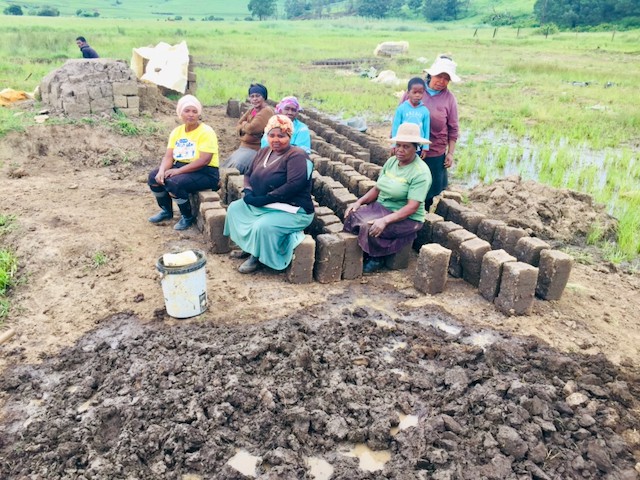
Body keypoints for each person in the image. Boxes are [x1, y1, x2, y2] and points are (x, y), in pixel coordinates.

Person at [224, 114, 314, 274]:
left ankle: (256, 257)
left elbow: (294, 185)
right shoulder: (264, 151)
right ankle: (248, 246)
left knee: (262, 226)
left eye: (281, 136)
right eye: (271, 135)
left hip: (293, 210)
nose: (276, 140)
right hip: (265, 204)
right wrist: (248, 191)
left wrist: (264, 199)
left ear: (289, 136)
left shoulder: (297, 155)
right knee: (234, 209)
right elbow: (248, 174)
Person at [343, 123, 431, 274]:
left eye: (406, 147)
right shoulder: (391, 162)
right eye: (398, 145)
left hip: (406, 218)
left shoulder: (420, 173)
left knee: (369, 226)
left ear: (416, 148)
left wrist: (385, 220)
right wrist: (358, 202)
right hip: (382, 207)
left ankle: (377, 257)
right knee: (352, 214)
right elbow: (377, 188)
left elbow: (412, 207)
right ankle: (364, 248)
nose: (400, 150)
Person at [147, 94, 220, 231]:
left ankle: (187, 216)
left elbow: (204, 160)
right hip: (181, 166)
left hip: (205, 172)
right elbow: (169, 156)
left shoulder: (206, 132)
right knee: (154, 177)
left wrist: (177, 171)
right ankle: (166, 211)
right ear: (180, 113)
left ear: (199, 113)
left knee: (174, 183)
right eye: (187, 111)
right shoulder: (177, 132)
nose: (191, 115)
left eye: (194, 111)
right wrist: (162, 171)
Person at [401, 54, 460, 211]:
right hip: (408, 148)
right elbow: (399, 117)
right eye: (439, 76)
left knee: (426, 193)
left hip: (434, 153)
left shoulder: (449, 99)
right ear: (431, 74)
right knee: (405, 187)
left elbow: (453, 128)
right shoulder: (415, 90)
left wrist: (450, 153)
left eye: (446, 79)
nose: (442, 81)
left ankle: (422, 220)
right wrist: (395, 144)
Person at [221, 83, 275, 174]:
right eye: (252, 96)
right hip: (244, 146)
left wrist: (245, 126)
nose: (254, 99)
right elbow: (238, 124)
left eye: (258, 96)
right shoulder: (252, 110)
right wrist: (245, 127)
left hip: (255, 149)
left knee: (238, 165)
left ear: (264, 97)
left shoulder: (266, 111)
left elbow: (251, 128)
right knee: (227, 164)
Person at [392, 77, 430, 160]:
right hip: (403, 144)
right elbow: (395, 127)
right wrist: (394, 145)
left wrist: (425, 147)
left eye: (420, 93)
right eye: (414, 92)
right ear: (408, 93)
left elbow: (426, 129)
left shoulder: (425, 111)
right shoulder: (401, 109)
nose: (417, 95)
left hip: (417, 145)